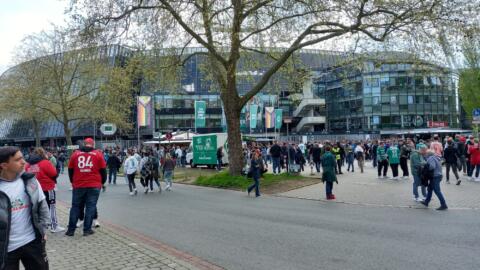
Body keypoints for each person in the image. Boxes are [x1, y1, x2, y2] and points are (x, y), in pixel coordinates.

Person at [0, 146, 50, 270]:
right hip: (6, 249)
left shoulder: (29, 180)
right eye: (18, 160)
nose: (24, 162)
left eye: (23, 158)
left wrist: (43, 229)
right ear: (4, 165)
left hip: (32, 242)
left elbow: (42, 206)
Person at [66, 138, 107, 237]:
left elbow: (70, 169)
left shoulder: (75, 154)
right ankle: (87, 230)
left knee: (75, 207)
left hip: (78, 184)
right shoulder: (98, 154)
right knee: (90, 207)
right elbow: (103, 171)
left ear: (84, 144)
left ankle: (71, 230)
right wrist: (102, 182)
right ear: (93, 145)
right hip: (94, 184)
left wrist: (73, 181)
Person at [25, 148, 65, 233]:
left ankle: (37, 227)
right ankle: (54, 226)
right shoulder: (45, 163)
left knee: (36, 209)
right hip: (47, 188)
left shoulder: (28, 165)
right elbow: (53, 174)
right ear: (43, 154)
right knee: (51, 207)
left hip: (33, 190)